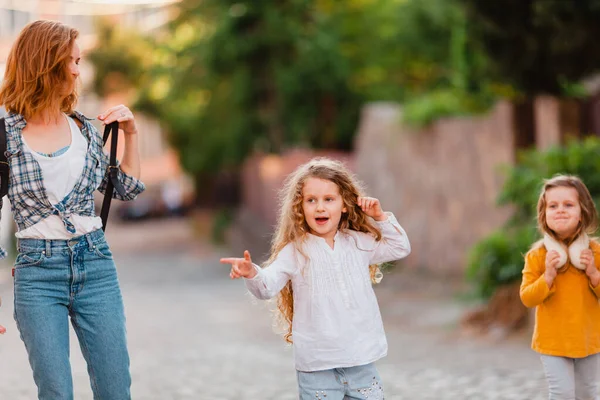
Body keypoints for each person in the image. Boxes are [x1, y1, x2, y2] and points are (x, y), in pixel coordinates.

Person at [0, 20, 145, 399]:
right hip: (36, 273)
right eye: (73, 61)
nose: (78, 71)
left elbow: (126, 188)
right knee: (55, 392)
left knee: (116, 389)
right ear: (46, 64)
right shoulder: (4, 136)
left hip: (95, 264)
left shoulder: (83, 129)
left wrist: (130, 133)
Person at [220, 157, 410, 399]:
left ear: (344, 204)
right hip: (317, 369)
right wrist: (252, 272)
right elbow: (266, 287)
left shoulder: (358, 243)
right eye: (311, 200)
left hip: (361, 362)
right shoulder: (295, 251)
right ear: (300, 207)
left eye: (328, 199)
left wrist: (380, 217)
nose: (320, 207)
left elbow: (399, 248)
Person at [520, 175, 600, 400]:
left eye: (568, 205)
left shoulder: (594, 253)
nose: (560, 210)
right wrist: (548, 276)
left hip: (589, 339)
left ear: (582, 211)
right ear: (544, 215)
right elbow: (527, 297)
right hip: (553, 341)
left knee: (587, 394)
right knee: (562, 393)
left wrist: (593, 273)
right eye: (553, 206)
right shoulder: (537, 256)